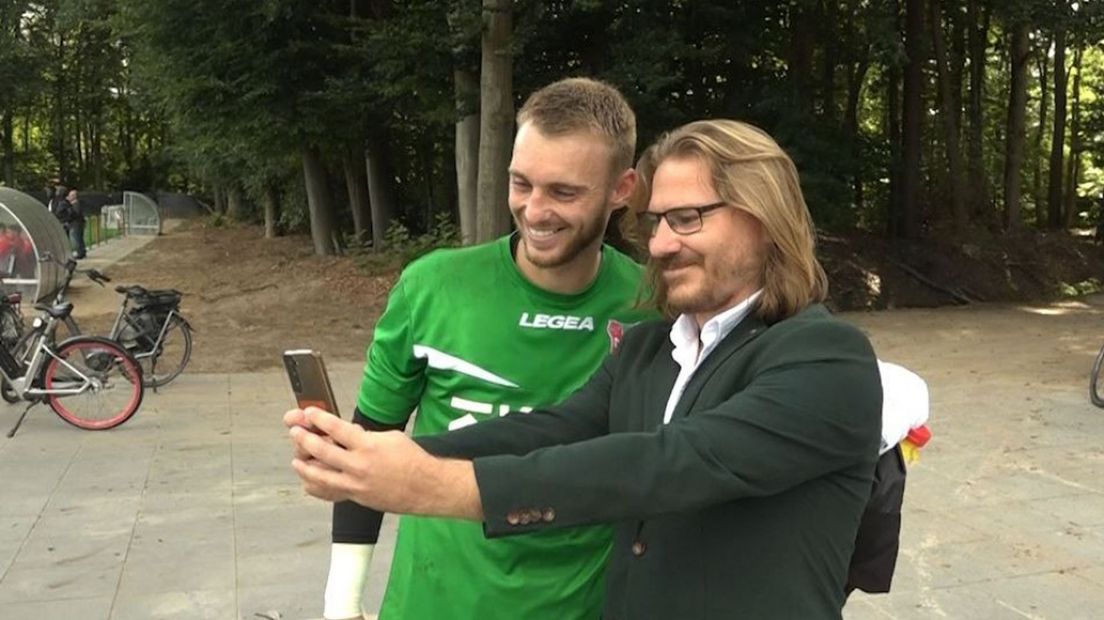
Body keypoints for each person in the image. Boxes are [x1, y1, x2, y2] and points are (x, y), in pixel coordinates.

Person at [287, 119, 884, 619]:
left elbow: (671, 464)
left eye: (688, 219)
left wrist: (436, 486)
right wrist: (367, 457)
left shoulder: (827, 360)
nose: (659, 245)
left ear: (764, 216)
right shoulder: (651, 347)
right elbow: (547, 430)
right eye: (655, 222)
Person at [312, 77, 653, 620]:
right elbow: (368, 450)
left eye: (565, 192)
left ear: (622, 188)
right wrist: (341, 603)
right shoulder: (433, 287)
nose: (535, 210)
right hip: (432, 603)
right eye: (521, 183)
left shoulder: (653, 308)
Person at [61, 188, 86, 259]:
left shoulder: (75, 204)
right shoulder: (75, 204)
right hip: (77, 223)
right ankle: (82, 252)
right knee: (79, 238)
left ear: (74, 196)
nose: (69, 197)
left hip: (76, 224)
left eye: (71, 195)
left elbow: (75, 214)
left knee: (76, 239)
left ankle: (80, 253)